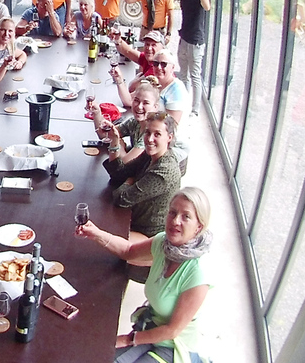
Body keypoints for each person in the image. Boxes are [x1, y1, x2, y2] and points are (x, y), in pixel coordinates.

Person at [76, 187, 212, 363]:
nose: (175, 221)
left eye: (186, 216)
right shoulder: (164, 244)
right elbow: (129, 251)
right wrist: (95, 233)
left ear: (198, 227)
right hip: (151, 328)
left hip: (175, 346)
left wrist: (129, 338)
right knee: (100, 357)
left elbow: (172, 330)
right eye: (172, 212)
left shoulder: (198, 274)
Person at [102, 112, 181, 240]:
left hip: (147, 233)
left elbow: (122, 199)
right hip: (132, 217)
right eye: (148, 132)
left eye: (157, 134)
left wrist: (128, 182)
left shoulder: (164, 171)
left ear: (169, 137)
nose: (150, 139)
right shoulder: (149, 155)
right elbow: (118, 174)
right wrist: (114, 142)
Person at [92, 81, 161, 164]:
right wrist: (97, 113)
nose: (139, 106)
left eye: (145, 103)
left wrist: (117, 143)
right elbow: (105, 135)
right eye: (136, 100)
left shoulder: (151, 133)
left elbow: (124, 163)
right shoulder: (134, 122)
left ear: (155, 107)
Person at [176, 0, 211, 118]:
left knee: (195, 76)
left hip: (195, 42)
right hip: (183, 38)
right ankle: (183, 103)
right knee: (183, 75)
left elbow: (207, 6)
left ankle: (195, 111)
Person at [152, 49, 190, 125]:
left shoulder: (177, 90)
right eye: (156, 63)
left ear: (172, 68)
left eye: (163, 64)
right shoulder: (155, 83)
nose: (159, 67)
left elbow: (172, 125)